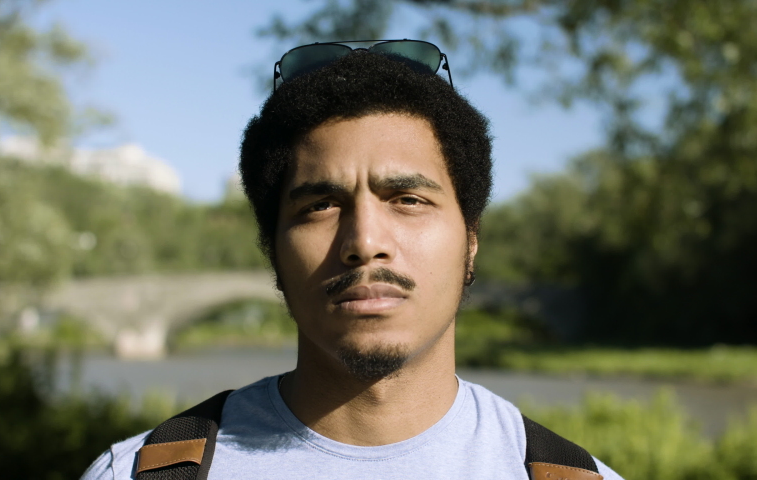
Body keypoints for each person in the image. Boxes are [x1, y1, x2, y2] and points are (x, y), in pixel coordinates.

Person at [81, 40, 624, 480]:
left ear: (471, 239)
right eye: (321, 205)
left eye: (408, 200)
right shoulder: (137, 473)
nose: (365, 241)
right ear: (271, 247)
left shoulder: (574, 476)